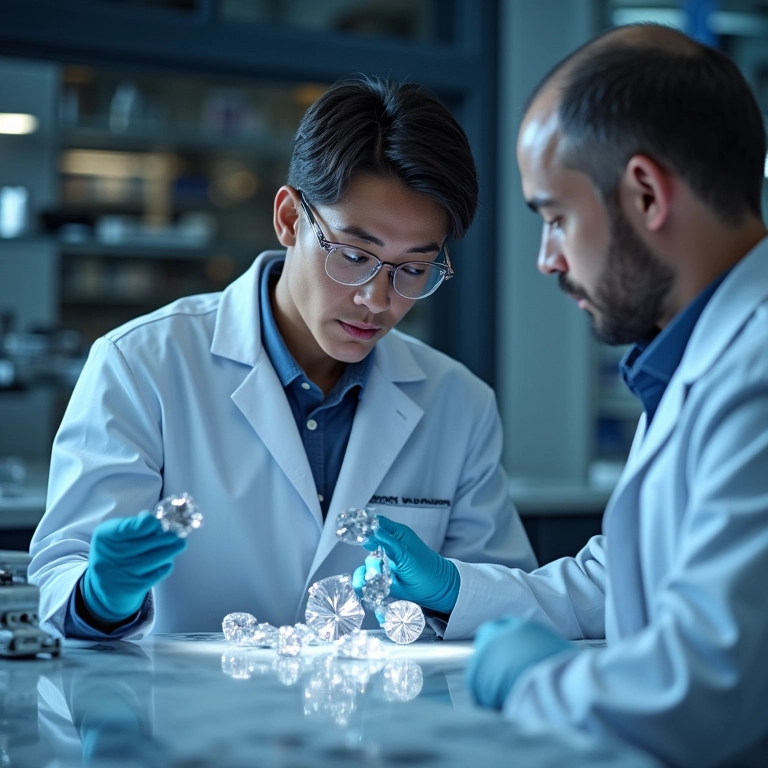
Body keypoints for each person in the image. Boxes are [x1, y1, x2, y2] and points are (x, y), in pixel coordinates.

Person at [353, 24, 768, 768]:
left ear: (644, 193)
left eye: (555, 218)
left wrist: (537, 680)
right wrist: (455, 590)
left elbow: (709, 689)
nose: (547, 259)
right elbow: (623, 582)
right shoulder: (697, 358)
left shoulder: (755, 369)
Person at [28, 75, 537, 640]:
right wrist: (100, 598)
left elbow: (504, 603)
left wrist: (453, 596)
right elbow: (59, 577)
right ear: (291, 219)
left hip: (380, 724)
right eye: (353, 254)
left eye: (413, 269)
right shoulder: (140, 365)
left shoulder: (458, 402)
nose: (376, 299)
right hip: (182, 721)